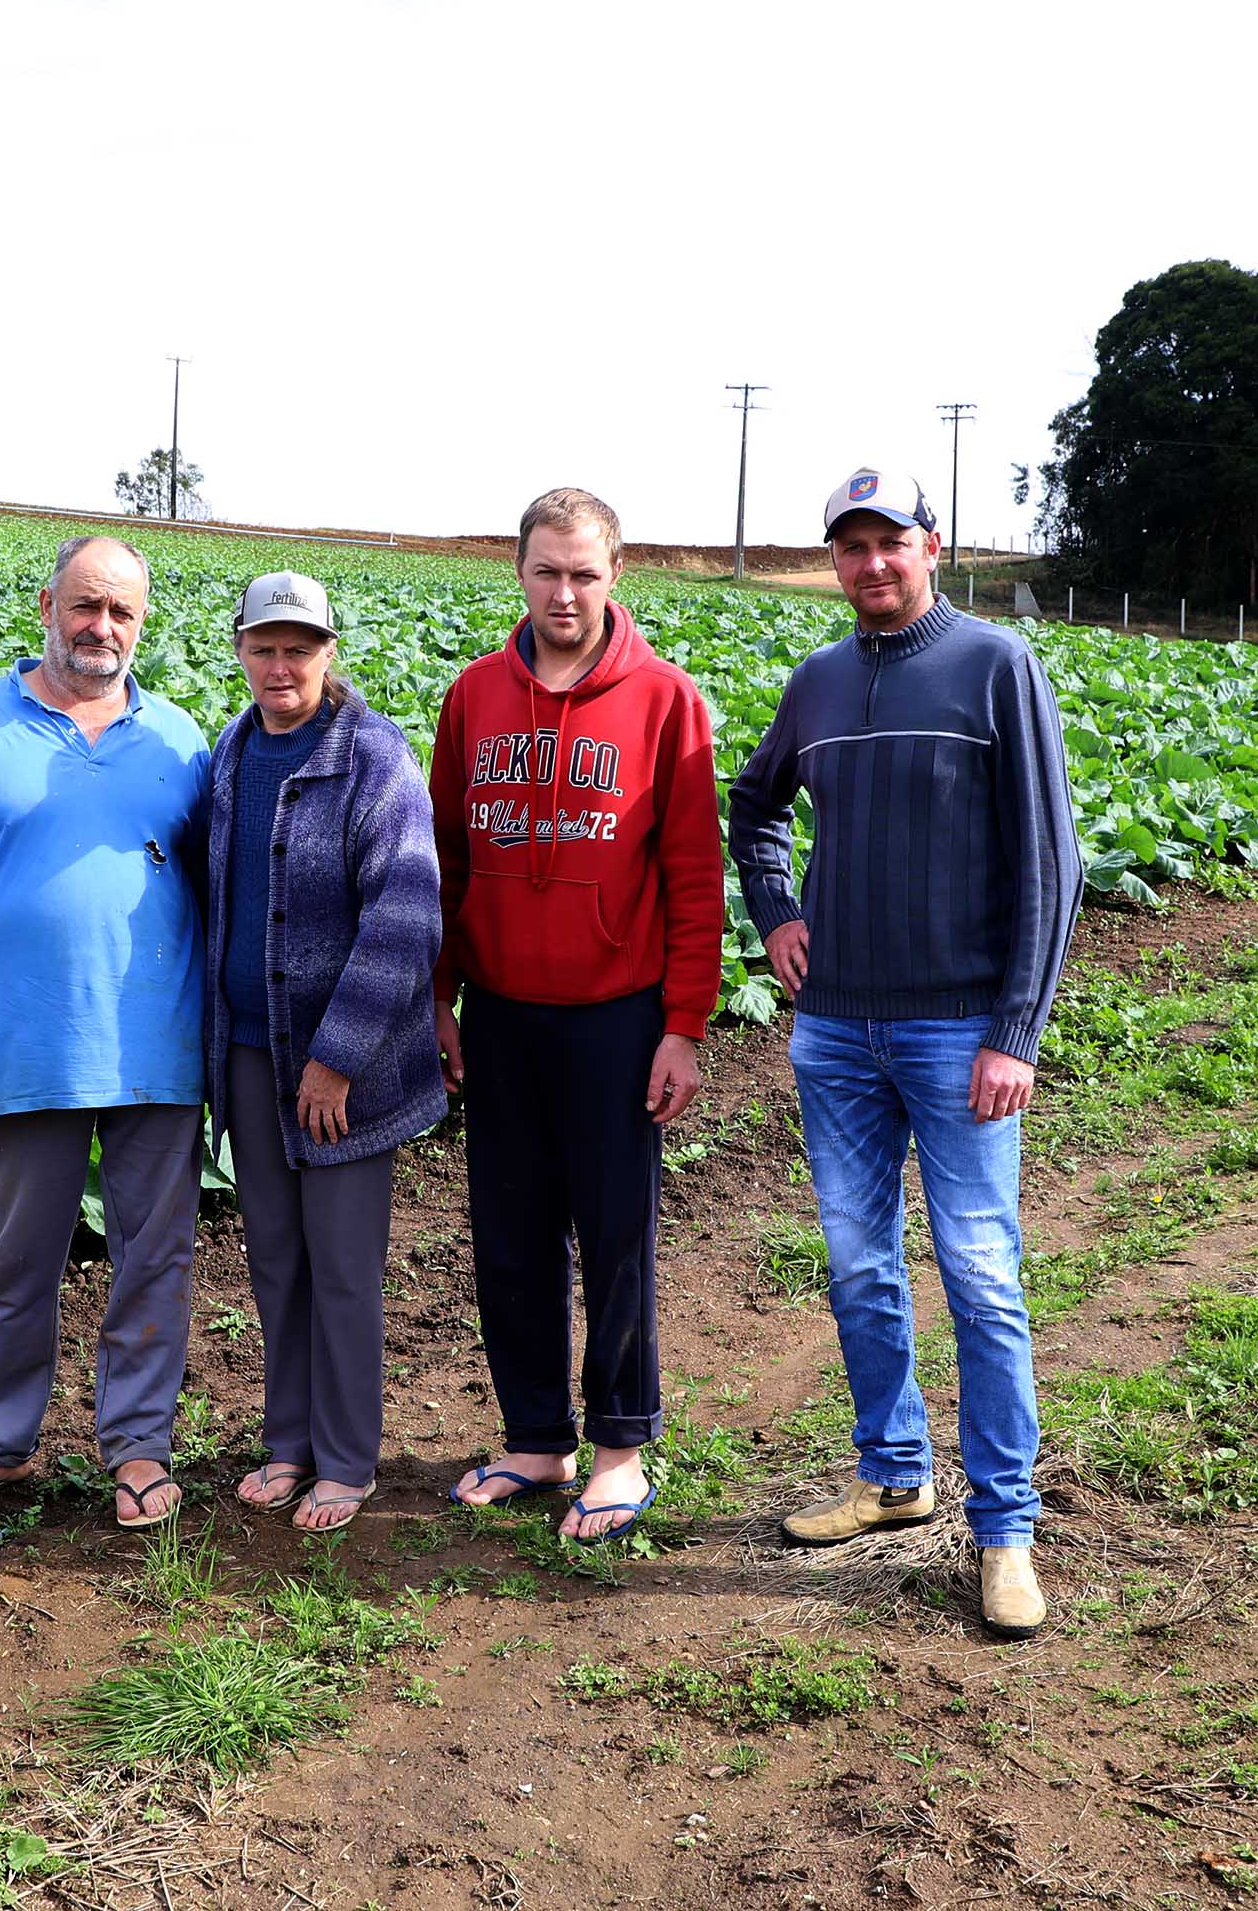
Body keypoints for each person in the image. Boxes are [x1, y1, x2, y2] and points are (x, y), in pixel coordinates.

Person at [726, 466, 1081, 1639]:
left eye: (892, 542)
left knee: (980, 1275)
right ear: (834, 559)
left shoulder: (993, 665)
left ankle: (1005, 1529)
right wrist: (775, 910)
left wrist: (1013, 1031)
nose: (872, 563)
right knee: (857, 1259)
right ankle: (891, 1475)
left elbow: (1050, 860)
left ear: (933, 545)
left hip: (955, 1030)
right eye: (851, 546)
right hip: (835, 1029)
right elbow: (756, 802)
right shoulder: (820, 680)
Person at [0, 535, 211, 1532]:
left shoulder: (182, 740)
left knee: (154, 1261)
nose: (100, 626)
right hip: (26, 1051)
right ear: (46, 604)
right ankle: (0, 1443)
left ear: (143, 622)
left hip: (159, 1049)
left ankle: (139, 1447)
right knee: (17, 1262)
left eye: (121, 611)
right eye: (84, 605)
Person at [431, 487, 725, 1544]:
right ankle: (534, 1438)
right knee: (508, 1233)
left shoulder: (664, 700)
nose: (566, 592)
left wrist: (683, 1022)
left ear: (615, 577)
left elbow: (695, 876)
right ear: (519, 572)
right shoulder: (473, 697)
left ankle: (619, 1448)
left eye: (585, 573)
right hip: (503, 1012)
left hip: (617, 1015)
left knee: (615, 1237)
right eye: (548, 571)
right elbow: (451, 865)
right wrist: (440, 998)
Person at [201, 572, 445, 1535]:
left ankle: (347, 1460)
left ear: (328, 653)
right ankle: (287, 1441)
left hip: (344, 1070)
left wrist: (337, 1053)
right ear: (240, 650)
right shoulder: (230, 751)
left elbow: (406, 914)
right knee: (275, 1261)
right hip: (251, 1057)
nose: (281, 665)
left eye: (299, 647)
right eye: (264, 646)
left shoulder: (373, 756)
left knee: (342, 1265)